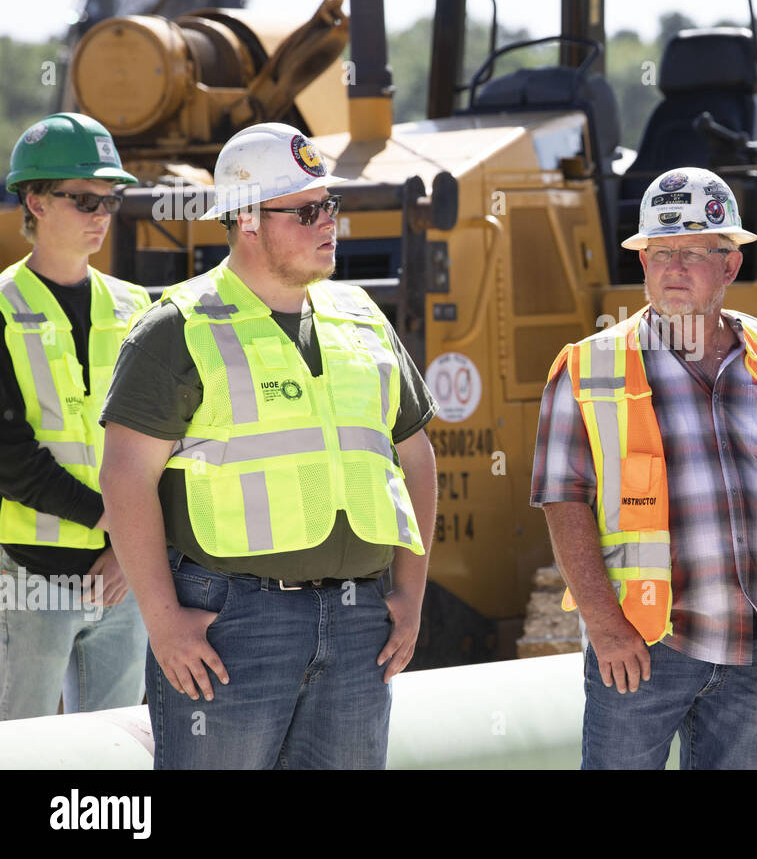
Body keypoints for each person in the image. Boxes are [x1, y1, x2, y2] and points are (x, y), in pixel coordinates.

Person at [99, 122, 438, 769]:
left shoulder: (363, 316)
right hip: (231, 626)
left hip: (360, 619)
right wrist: (165, 622)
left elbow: (417, 459)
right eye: (307, 210)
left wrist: (411, 594)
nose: (328, 222)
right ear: (247, 219)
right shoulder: (178, 327)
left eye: (330, 206)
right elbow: (125, 479)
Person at [532, 167, 757, 770]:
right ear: (643, 261)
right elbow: (561, 498)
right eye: (660, 252)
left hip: (755, 645)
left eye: (693, 253)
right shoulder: (590, 367)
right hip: (642, 645)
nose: (673, 268)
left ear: (728, 266)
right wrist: (604, 624)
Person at [0, 113, 151, 720]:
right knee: (23, 749)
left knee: (113, 756)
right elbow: (11, 460)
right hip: (30, 577)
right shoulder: (3, 309)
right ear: (34, 200)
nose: (100, 214)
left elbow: (168, 446)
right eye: (83, 198)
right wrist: (116, 528)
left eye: (110, 200)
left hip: (124, 578)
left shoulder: (138, 307)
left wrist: (126, 548)